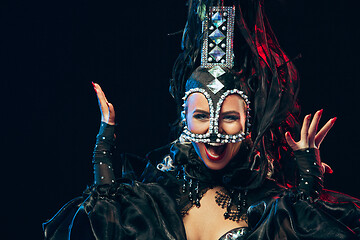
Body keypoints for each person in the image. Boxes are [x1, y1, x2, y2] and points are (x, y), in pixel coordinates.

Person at [43, 0, 360, 239]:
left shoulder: (270, 206)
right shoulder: (151, 196)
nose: (213, 132)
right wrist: (103, 159)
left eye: (229, 117)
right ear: (184, 118)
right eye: (201, 115)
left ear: (248, 123)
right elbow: (100, 227)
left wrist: (308, 191)